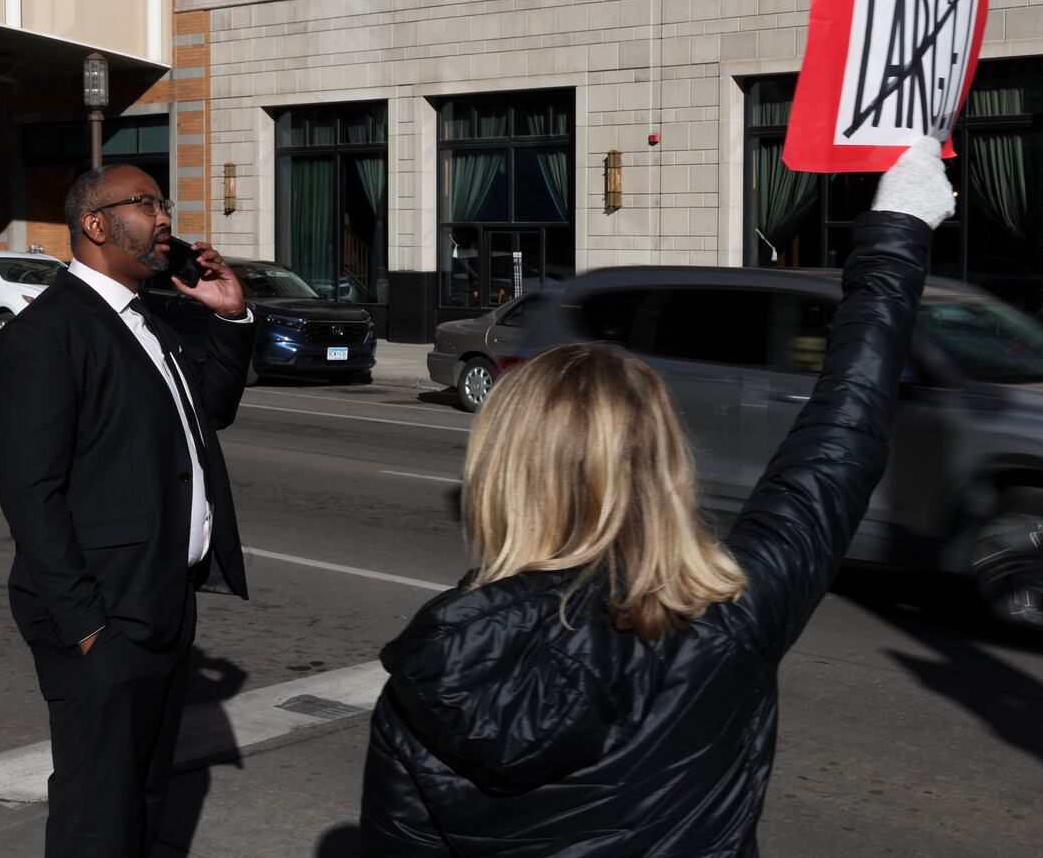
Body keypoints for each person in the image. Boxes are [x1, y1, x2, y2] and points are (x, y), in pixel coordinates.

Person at [360, 140, 955, 855]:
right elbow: (841, 439)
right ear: (663, 463)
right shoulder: (731, 615)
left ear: (499, 470)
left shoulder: (430, 674)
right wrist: (897, 233)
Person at [0, 164, 256, 857]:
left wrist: (228, 317)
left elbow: (212, 410)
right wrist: (87, 629)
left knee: (144, 799)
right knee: (96, 817)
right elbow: (31, 494)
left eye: (163, 203)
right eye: (147, 203)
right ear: (96, 224)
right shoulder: (46, 334)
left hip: (162, 600)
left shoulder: (151, 319)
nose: (164, 217)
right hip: (104, 616)